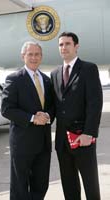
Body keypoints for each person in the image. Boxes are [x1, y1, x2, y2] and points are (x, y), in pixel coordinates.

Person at [51, 32, 103, 200]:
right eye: (60, 44)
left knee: (90, 184)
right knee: (69, 184)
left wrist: (89, 133)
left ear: (76, 46)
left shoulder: (88, 69)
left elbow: (95, 104)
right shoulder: (55, 73)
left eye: (67, 44)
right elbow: (55, 105)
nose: (63, 47)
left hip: (83, 137)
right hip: (62, 141)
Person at [1, 41, 54, 200]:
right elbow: (7, 109)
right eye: (30, 54)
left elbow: (52, 106)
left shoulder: (46, 80)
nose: (34, 57)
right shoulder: (14, 79)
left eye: (37, 54)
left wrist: (47, 116)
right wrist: (32, 118)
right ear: (23, 56)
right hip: (22, 143)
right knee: (20, 186)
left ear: (41, 57)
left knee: (41, 184)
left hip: (43, 142)